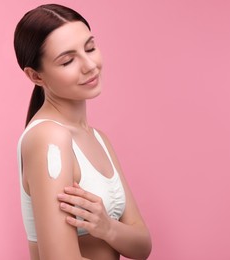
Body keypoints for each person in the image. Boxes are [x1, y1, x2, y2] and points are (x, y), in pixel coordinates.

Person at [14, 4, 151, 260]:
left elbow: (142, 245)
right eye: (67, 60)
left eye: (90, 48)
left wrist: (107, 227)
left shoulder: (99, 139)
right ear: (35, 76)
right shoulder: (48, 139)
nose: (90, 65)